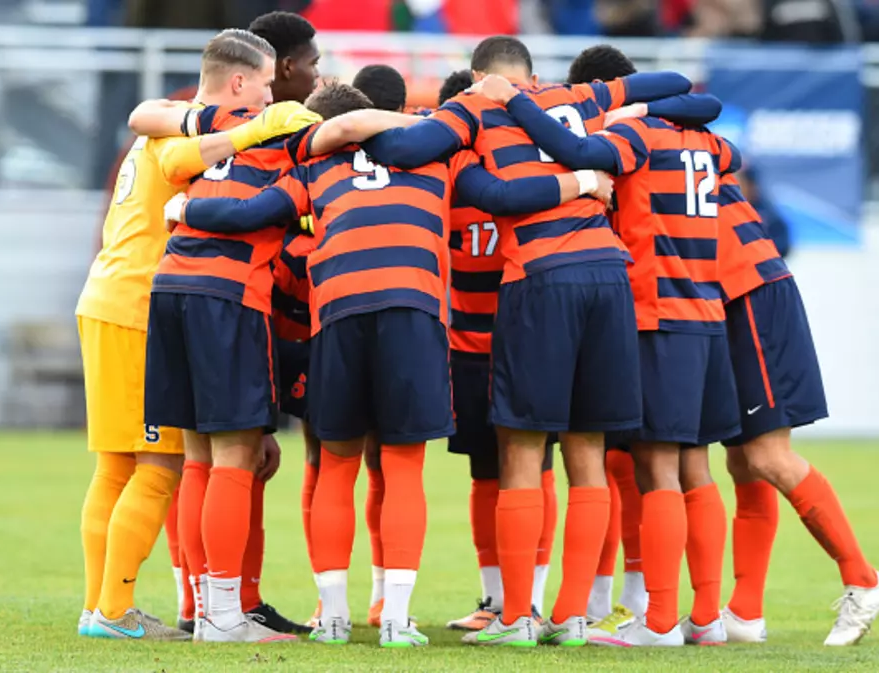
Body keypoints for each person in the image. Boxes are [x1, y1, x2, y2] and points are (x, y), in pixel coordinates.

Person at [166, 81, 613, 647]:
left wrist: (186, 206)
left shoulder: (313, 168)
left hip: (339, 316)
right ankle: (397, 619)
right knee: (402, 466)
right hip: (415, 313)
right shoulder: (439, 157)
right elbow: (504, 194)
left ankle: (331, 618)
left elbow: (252, 211)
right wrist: (583, 182)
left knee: (336, 466)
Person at [359, 35, 693, 647]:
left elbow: (404, 148)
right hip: (609, 277)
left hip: (540, 280)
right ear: (531, 74)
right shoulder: (581, 95)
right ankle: (571, 616)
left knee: (521, 448)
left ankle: (516, 616)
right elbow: (675, 83)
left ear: (483, 76)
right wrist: (610, 138)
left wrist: (375, 120)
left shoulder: (474, 107)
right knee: (587, 452)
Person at [477, 48, 739, 646]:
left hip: (653, 310)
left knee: (653, 468)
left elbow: (574, 154)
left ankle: (660, 619)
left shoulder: (633, 138)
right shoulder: (710, 146)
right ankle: (703, 616)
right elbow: (705, 102)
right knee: (688, 468)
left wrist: (514, 101)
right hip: (702, 313)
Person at [75, 27, 313, 641]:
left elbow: (150, 119)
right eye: (264, 87)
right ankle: (112, 611)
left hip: (107, 295)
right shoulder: (187, 136)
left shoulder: (171, 121)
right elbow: (185, 161)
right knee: (159, 465)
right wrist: (257, 130)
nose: (267, 99)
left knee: (114, 469)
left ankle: (99, 605)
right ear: (240, 83)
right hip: (138, 306)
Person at [716, 171, 879, 647]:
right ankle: (744, 613)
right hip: (733, 294)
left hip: (747, 291)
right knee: (742, 459)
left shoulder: (638, 137)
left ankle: (864, 579)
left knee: (767, 456)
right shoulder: (661, 136)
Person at [433, 70, 559, 631]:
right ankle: (496, 600)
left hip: (523, 338)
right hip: (469, 345)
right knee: (488, 473)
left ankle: (527, 599)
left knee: (534, 471)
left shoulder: (516, 174)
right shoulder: (447, 178)